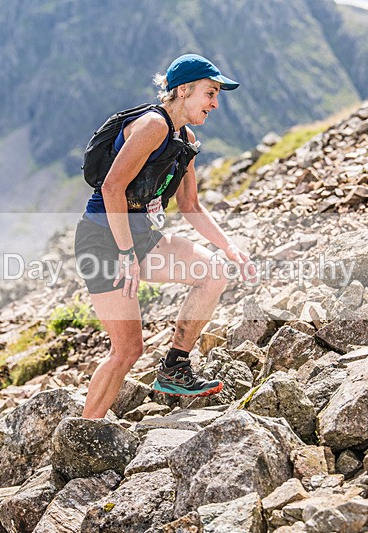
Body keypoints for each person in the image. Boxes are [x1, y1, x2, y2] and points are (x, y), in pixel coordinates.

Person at [74, 53, 255, 419]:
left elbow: (191, 205)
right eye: (210, 93)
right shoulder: (153, 125)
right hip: (104, 239)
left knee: (214, 272)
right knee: (127, 351)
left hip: (140, 236)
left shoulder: (185, 138)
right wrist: (126, 253)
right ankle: (83, 430)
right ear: (183, 90)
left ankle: (175, 368)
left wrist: (229, 247)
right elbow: (111, 188)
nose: (215, 104)